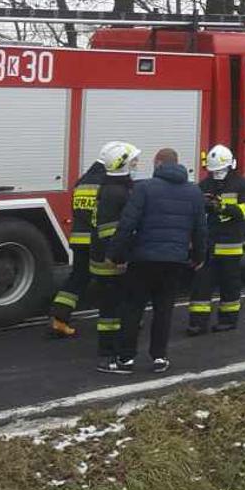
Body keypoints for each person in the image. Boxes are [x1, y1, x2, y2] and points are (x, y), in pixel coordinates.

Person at [102, 148, 208, 375]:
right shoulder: (194, 192)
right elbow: (200, 230)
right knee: (164, 310)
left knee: (133, 309)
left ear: (158, 164)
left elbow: (127, 225)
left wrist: (114, 254)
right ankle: (159, 358)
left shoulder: (144, 189)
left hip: (143, 259)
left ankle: (125, 359)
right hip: (174, 261)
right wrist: (199, 257)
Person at [188, 145, 245, 336]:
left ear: (229, 166)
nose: (217, 174)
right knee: (201, 285)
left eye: (220, 171)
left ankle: (227, 320)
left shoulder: (241, 184)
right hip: (208, 245)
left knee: (230, 285)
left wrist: (223, 208)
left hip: (230, 245)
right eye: (214, 171)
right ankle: (198, 323)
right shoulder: (204, 185)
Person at [86, 142, 139, 363]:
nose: (137, 164)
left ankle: (110, 345)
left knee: (112, 305)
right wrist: (120, 258)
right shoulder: (116, 192)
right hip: (110, 260)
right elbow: (110, 231)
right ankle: (109, 348)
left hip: (104, 255)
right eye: (133, 161)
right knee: (112, 306)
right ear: (123, 164)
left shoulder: (110, 188)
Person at [46, 154, 110, 339]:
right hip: (97, 241)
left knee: (78, 278)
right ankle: (114, 322)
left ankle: (59, 318)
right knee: (110, 282)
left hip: (79, 240)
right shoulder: (105, 184)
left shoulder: (82, 182)